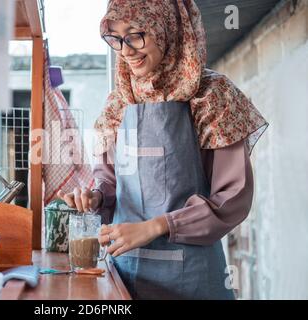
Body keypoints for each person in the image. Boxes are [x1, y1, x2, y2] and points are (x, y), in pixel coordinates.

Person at [57, 0, 268, 299]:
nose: (126, 49)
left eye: (135, 34)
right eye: (115, 38)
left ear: (167, 27)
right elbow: (110, 181)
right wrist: (97, 198)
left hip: (192, 278)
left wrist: (157, 226)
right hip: (123, 275)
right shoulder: (119, 102)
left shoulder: (212, 96)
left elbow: (232, 199)